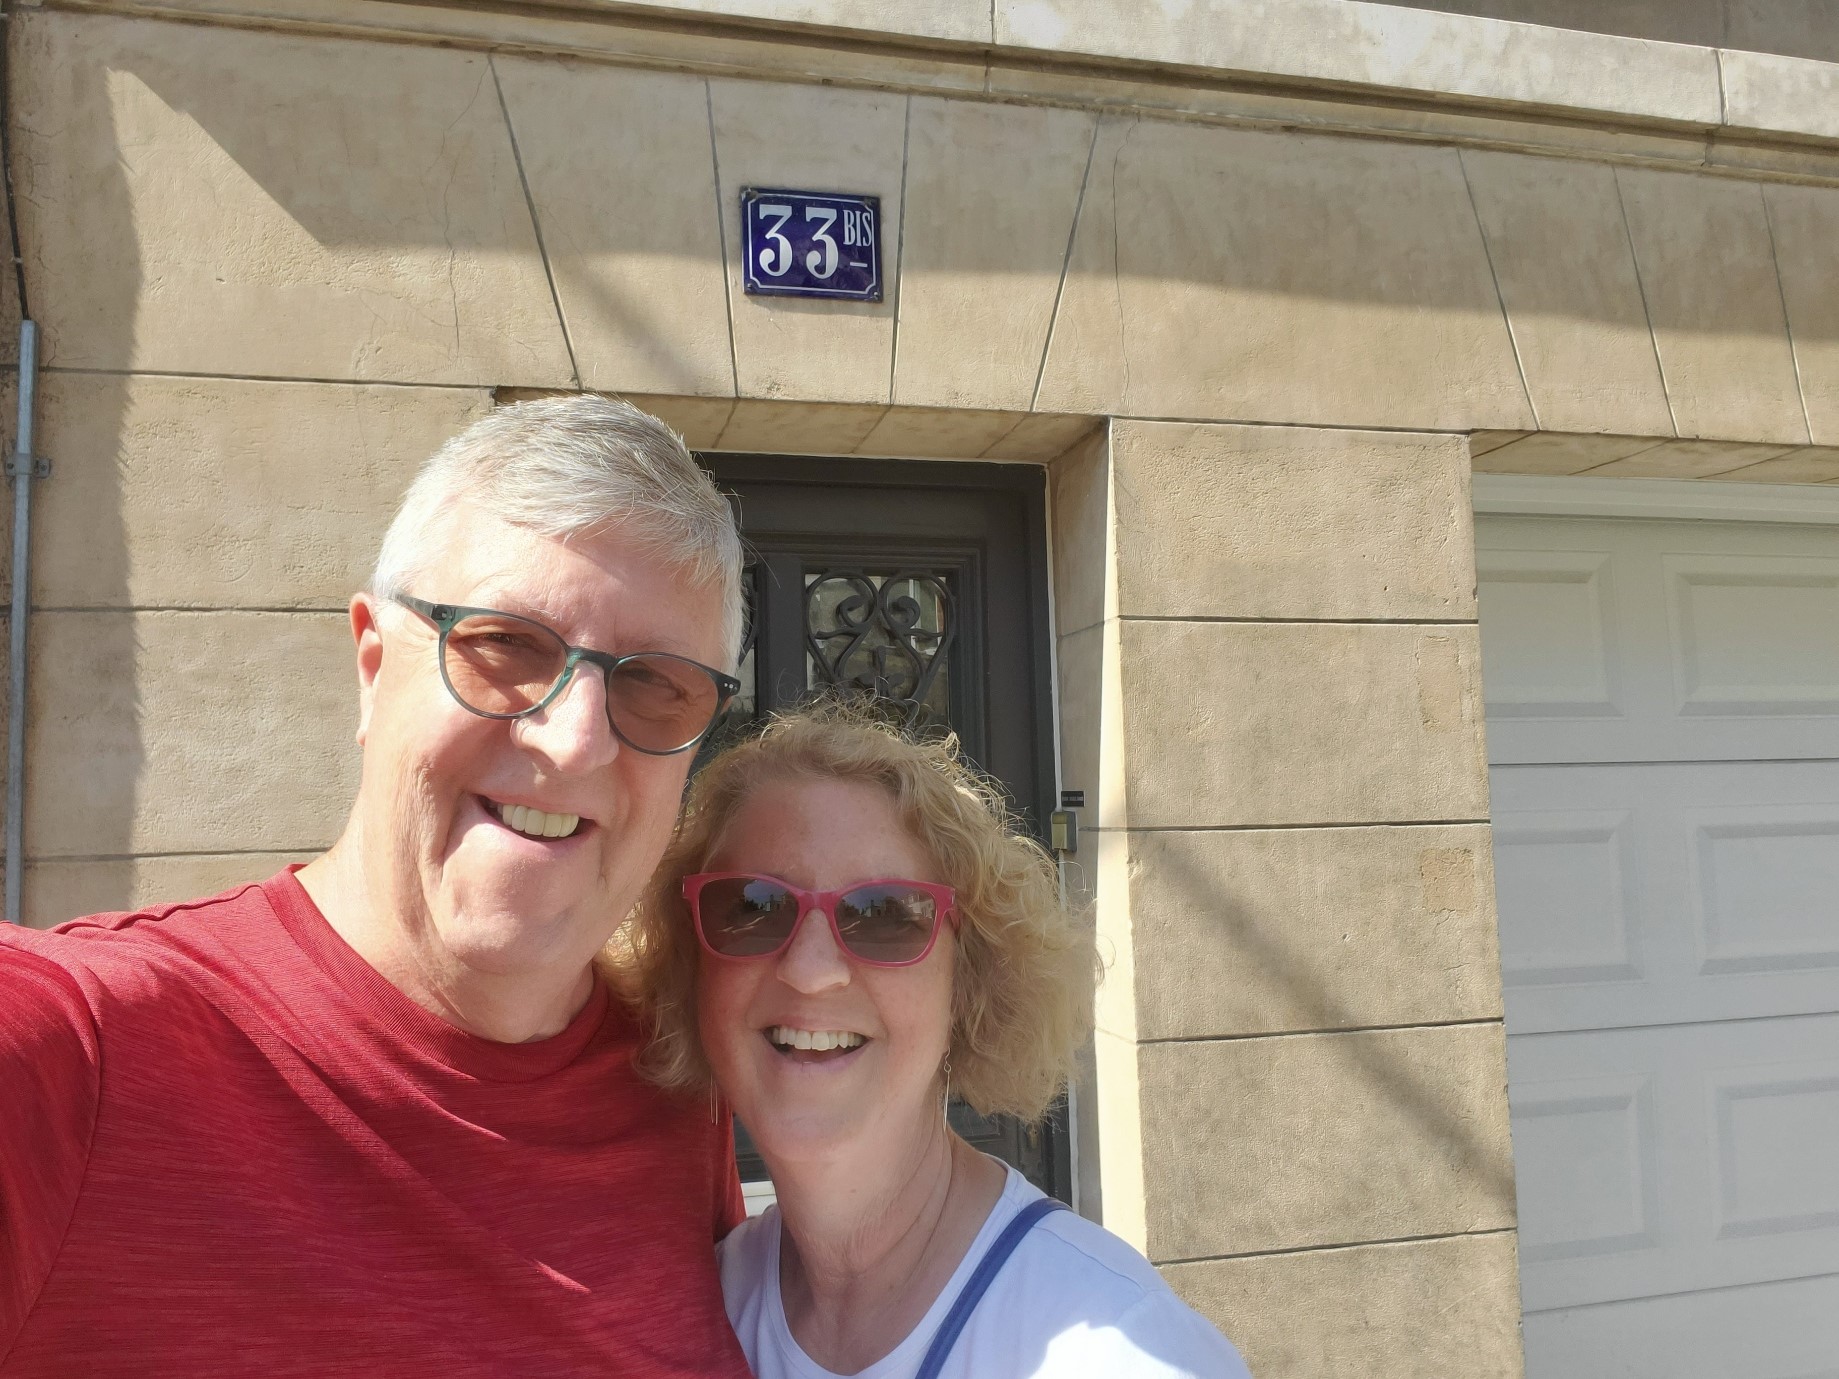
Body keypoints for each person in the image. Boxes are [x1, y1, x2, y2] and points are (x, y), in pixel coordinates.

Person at [0, 397, 755, 1376]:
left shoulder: (676, 1092)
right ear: (370, 665)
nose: (573, 739)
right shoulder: (73, 1054)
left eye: (657, 684)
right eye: (505, 644)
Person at [624, 706, 1253, 1378]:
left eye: (885, 914)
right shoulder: (703, 1303)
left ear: (969, 983)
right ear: (694, 969)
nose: (810, 969)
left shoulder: (1116, 1348)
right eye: (750, 905)